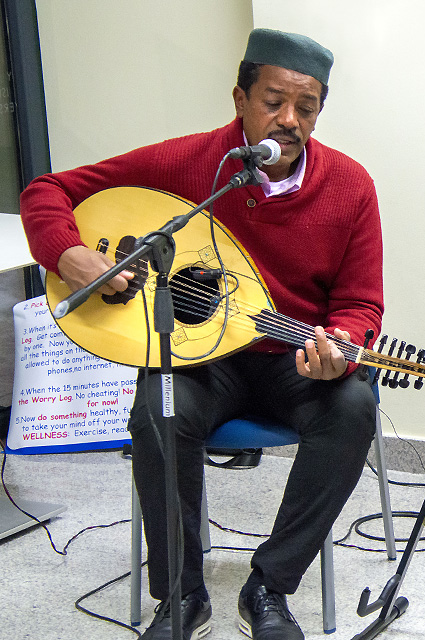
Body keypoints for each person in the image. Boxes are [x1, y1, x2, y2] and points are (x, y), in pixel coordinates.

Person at [20, 29, 383, 640]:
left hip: (290, 360)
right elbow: (46, 191)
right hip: (198, 359)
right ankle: (182, 596)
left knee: (353, 408)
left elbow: (359, 303)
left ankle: (269, 587)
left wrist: (338, 348)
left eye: (307, 107)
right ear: (239, 98)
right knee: (158, 412)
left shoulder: (350, 187)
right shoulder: (188, 164)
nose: (289, 120)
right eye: (273, 101)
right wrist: (70, 257)